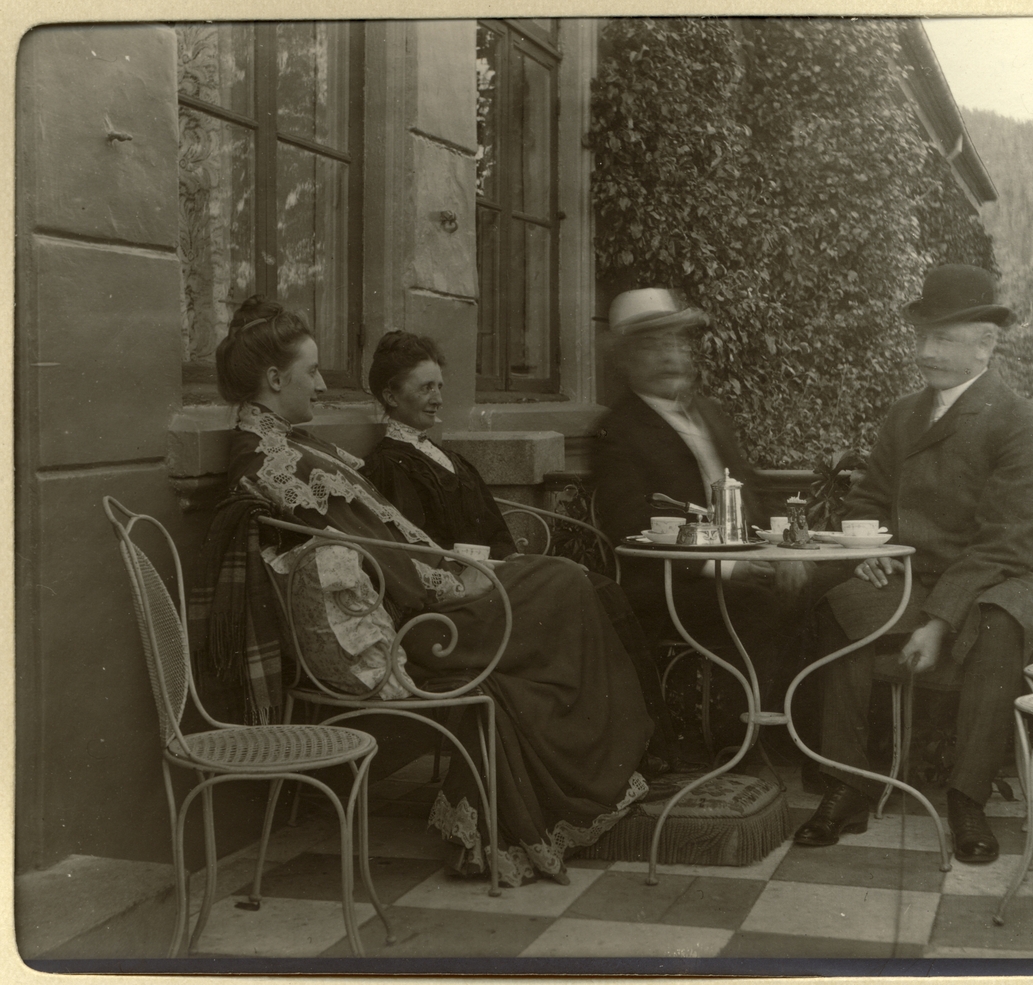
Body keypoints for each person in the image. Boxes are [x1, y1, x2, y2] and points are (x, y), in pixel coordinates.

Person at [212, 295, 654, 888]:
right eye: (312, 371)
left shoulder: (290, 448)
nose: (321, 384)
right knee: (568, 585)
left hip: (431, 604)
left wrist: (458, 571)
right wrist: (455, 580)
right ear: (274, 378)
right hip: (426, 628)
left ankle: (601, 762)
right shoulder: (277, 463)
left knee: (566, 585)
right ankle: (598, 771)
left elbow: (384, 544)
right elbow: (375, 560)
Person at [793, 265, 1033, 865]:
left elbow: (1006, 544)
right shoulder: (904, 415)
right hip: (917, 576)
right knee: (845, 609)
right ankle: (849, 783)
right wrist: (870, 552)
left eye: (942, 338)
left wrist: (939, 621)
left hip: (1011, 577)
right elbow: (868, 502)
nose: (924, 352)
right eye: (921, 336)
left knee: (999, 621)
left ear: (985, 344)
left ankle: (967, 797)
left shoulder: (1022, 422)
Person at [360, 329, 681, 768]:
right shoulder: (390, 464)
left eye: (439, 386)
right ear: (391, 397)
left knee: (600, 590)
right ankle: (630, 748)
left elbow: (494, 529)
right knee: (586, 592)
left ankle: (641, 740)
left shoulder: (442, 455)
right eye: (424, 388)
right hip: (455, 606)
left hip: (493, 577)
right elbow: (418, 552)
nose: (437, 397)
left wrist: (514, 562)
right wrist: (503, 569)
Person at [593, 288, 813, 748]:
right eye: (654, 346)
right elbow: (633, 526)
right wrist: (727, 567)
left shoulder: (708, 414)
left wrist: (790, 548)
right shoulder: (619, 431)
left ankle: (796, 739)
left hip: (741, 565)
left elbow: (754, 491)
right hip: (672, 583)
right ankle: (739, 740)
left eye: (677, 343)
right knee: (764, 606)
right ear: (627, 359)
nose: (671, 356)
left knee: (822, 594)